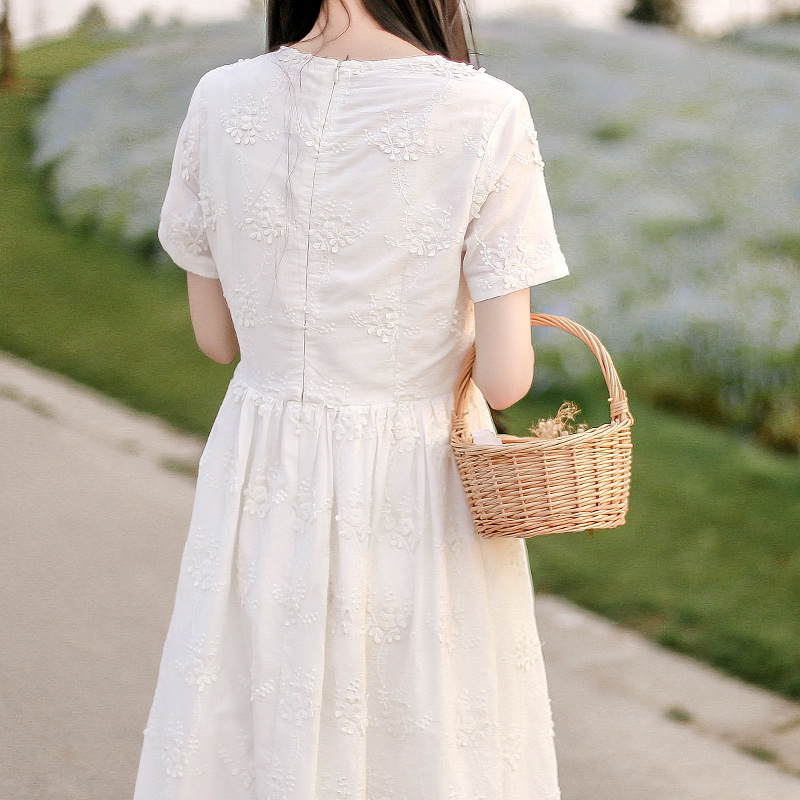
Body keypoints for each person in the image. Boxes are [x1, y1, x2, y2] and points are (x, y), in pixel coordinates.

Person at [133, 0, 570, 797]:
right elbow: (506, 379)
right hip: (419, 473)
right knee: (424, 723)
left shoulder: (220, 97)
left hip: (264, 463)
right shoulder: (486, 110)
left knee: (260, 705)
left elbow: (218, 340)